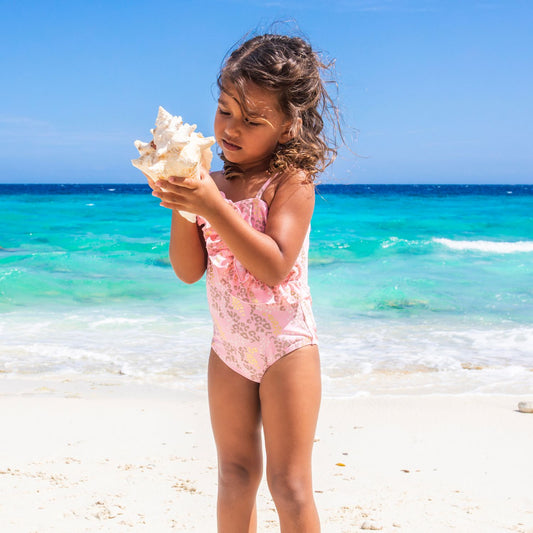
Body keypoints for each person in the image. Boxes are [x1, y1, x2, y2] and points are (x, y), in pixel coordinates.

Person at [150, 33, 339, 533]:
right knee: (234, 476)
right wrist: (182, 201)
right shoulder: (209, 182)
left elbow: (276, 265)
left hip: (287, 348)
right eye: (225, 110)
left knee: (289, 483)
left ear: (287, 125)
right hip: (228, 348)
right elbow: (189, 271)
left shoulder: (291, 181)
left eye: (253, 120)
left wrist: (211, 205)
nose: (232, 129)